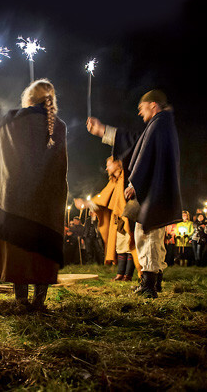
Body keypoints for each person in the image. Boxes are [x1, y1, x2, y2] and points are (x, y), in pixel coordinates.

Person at [86, 89, 182, 298]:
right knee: (151, 235)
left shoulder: (158, 124)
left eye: (142, 108)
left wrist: (135, 183)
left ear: (153, 105)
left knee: (146, 234)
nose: (139, 113)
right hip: (156, 191)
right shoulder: (162, 125)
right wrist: (104, 131)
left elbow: (145, 154)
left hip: (151, 192)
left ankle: (148, 285)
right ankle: (153, 282)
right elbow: (137, 142)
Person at [0, 78, 68, 311]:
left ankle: (21, 302)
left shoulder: (13, 119)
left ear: (29, 98)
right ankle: (39, 302)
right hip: (46, 205)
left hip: (16, 202)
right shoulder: (59, 125)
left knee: (19, 252)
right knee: (43, 252)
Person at [74, 156, 141, 280]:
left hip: (129, 217)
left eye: (109, 164)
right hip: (118, 219)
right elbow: (103, 198)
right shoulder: (113, 182)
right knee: (120, 245)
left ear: (117, 164)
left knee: (130, 246)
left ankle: (129, 275)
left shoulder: (127, 178)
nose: (106, 167)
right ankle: (120, 273)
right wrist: (87, 203)